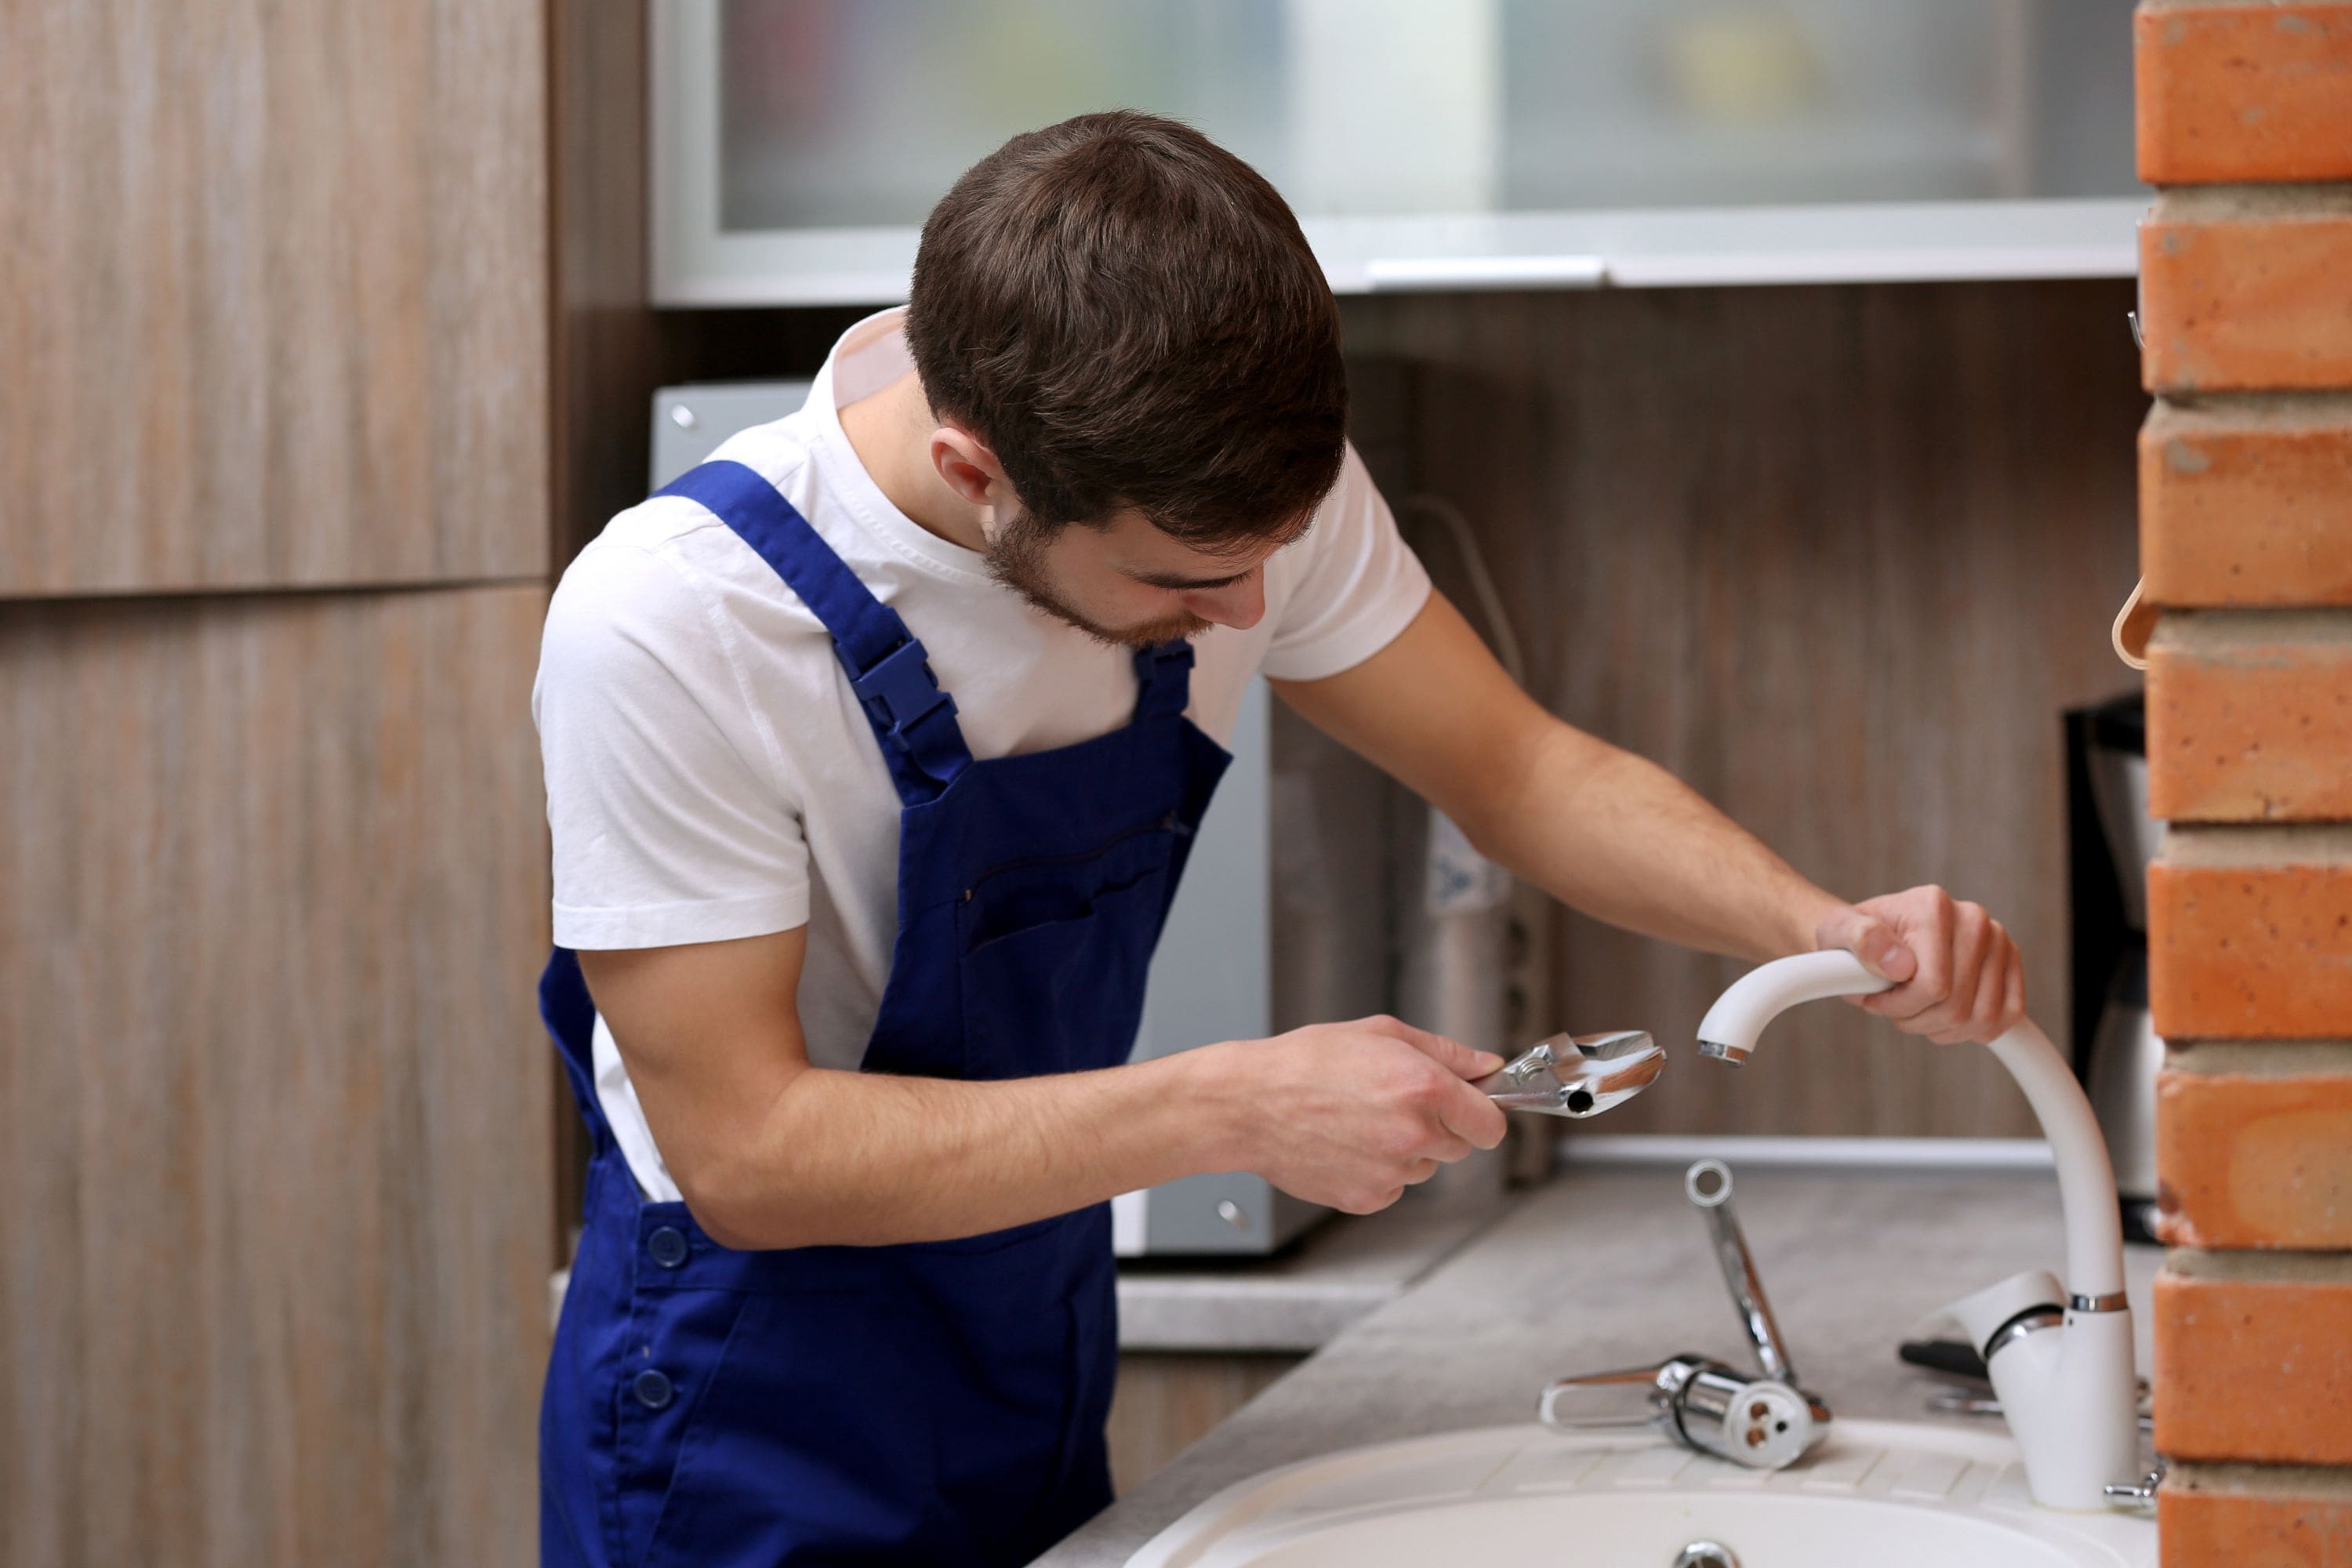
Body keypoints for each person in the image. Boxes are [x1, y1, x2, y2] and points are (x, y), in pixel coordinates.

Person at [532, 111, 2023, 1567]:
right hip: (743, 1408)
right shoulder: (680, 623)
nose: (1250, 613)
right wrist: (1234, 1109)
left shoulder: (1230, 499)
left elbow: (1516, 768)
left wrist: (1826, 931)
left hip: (1026, 1344)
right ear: (978, 473)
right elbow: (749, 1150)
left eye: (1266, 559)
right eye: (1188, 577)